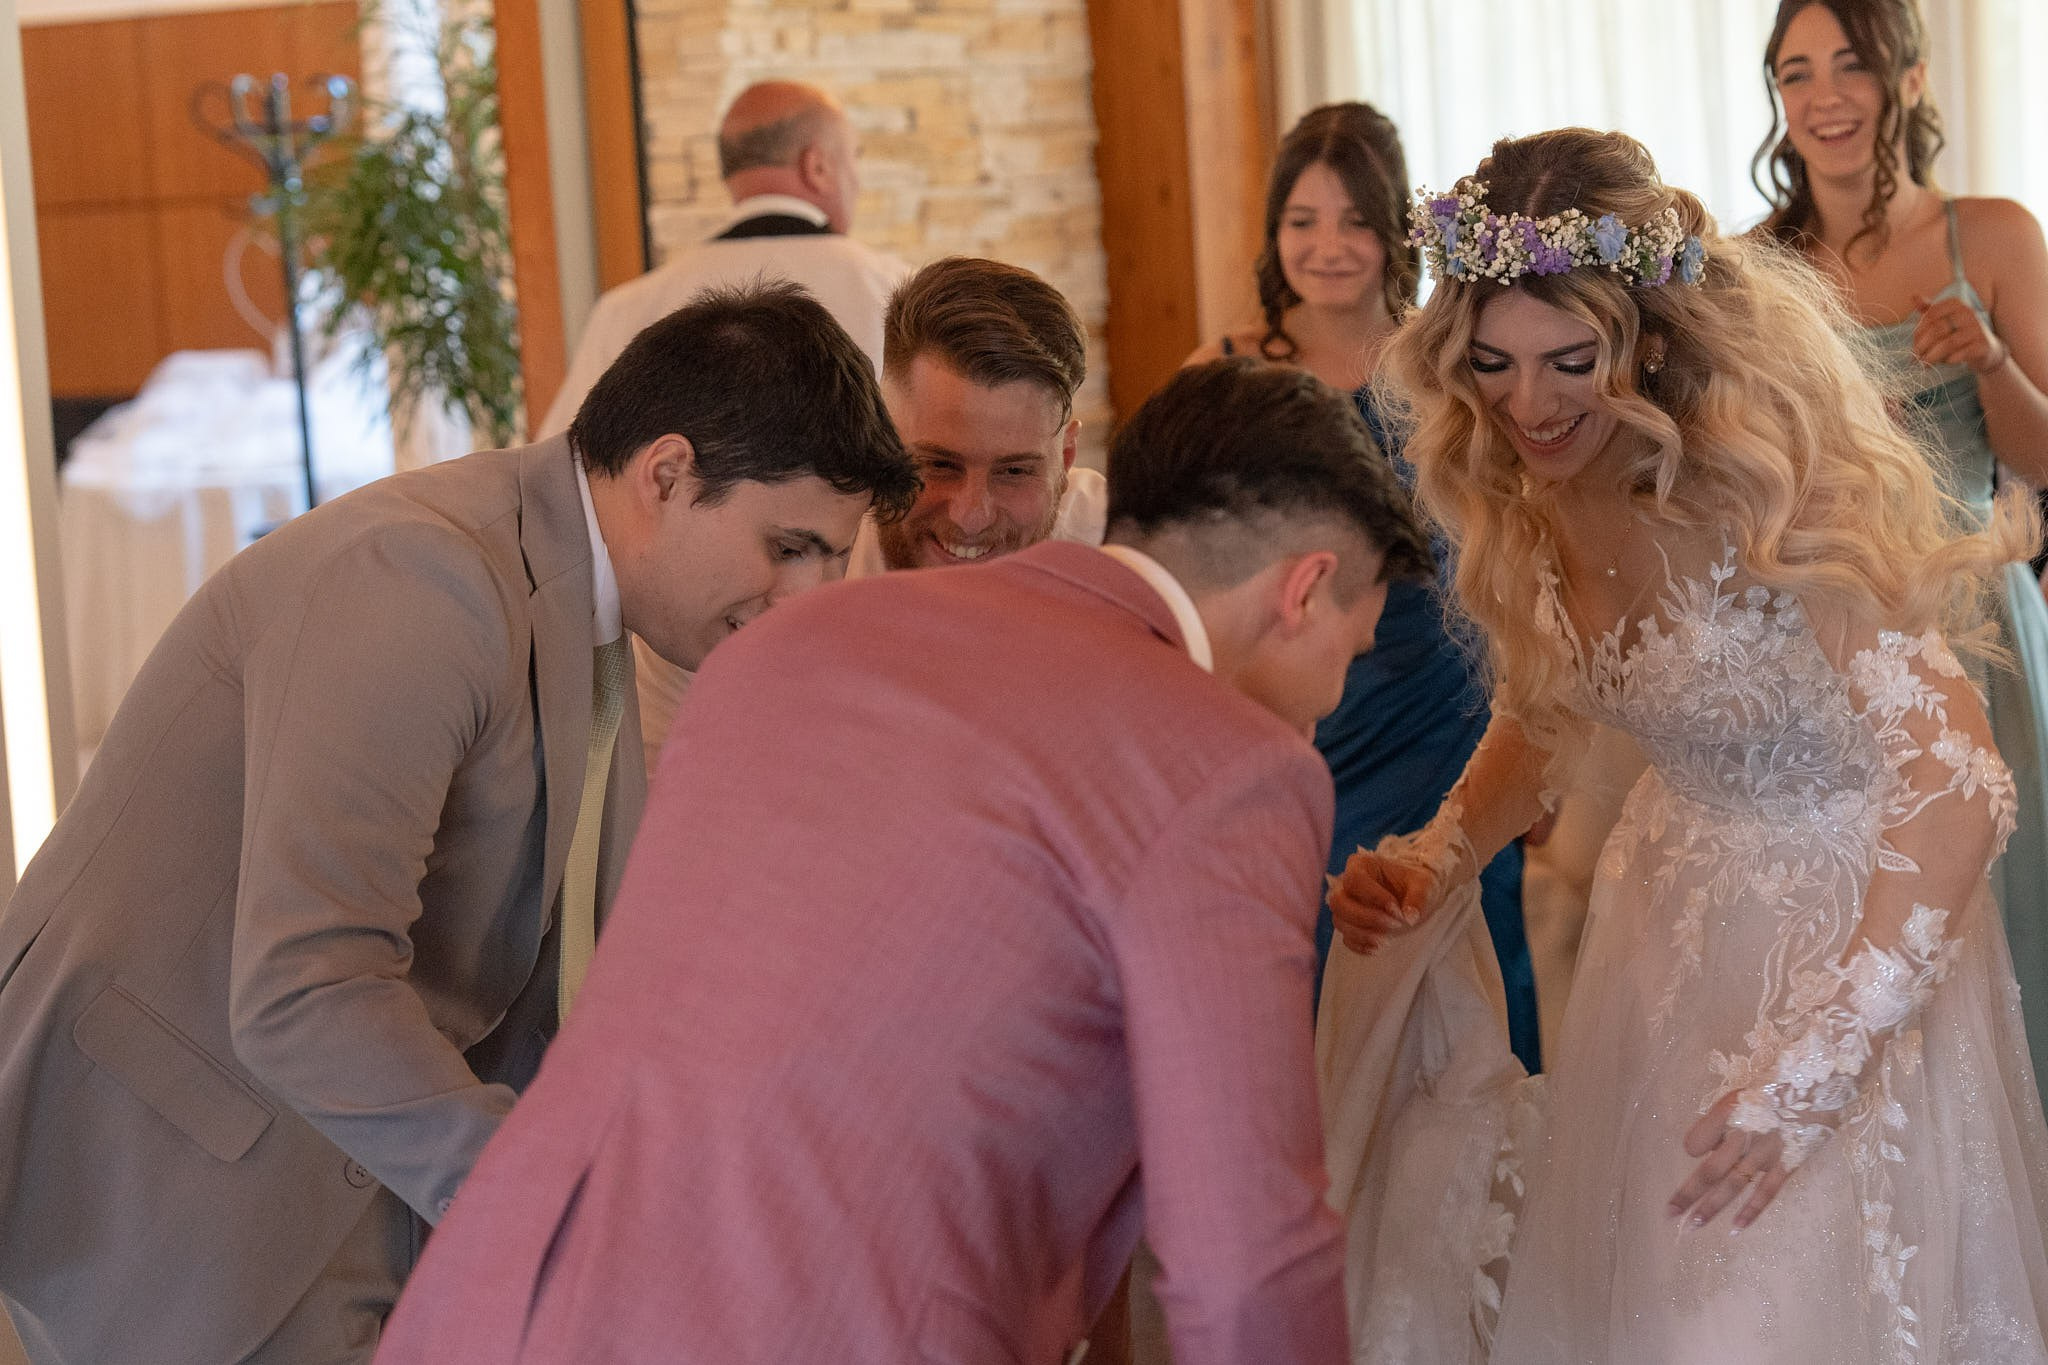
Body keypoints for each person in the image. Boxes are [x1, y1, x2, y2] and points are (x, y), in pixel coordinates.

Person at [371, 358, 1433, 1365]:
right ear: (1304, 589)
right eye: (1352, 648)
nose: (1333, 700)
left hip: (493, 1305)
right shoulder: (1227, 769)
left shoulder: (799, 637)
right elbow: (1244, 1260)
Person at [0, 283, 916, 1365]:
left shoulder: (592, 609)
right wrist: (552, 1202)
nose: (807, 597)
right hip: (177, 1177)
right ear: (666, 474)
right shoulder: (417, 577)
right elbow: (308, 985)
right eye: (790, 546)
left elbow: (560, 977)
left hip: (340, 1165)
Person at [1323, 128, 2048, 1362]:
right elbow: (1544, 711)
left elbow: (1957, 788)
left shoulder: (1766, 484)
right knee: (1649, 1309)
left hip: (1848, 939)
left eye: (1570, 363)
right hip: (1659, 943)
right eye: (1491, 364)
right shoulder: (1524, 483)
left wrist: (1812, 1068)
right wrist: (1440, 855)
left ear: (1645, 337)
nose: (1527, 404)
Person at [1186, 101, 1540, 1069]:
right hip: (1288, 705)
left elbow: (1506, 529)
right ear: (1272, 233)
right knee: (1298, 950)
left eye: (1351, 220)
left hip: (1440, 696)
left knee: (1458, 936)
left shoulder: (1443, 364)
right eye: (1301, 220)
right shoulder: (1225, 371)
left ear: (1391, 229)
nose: (1327, 246)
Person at [1756, 0, 2048, 1096]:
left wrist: (1986, 362)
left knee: (1996, 916)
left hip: (1975, 625)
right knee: (1855, 916)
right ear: (1776, 100)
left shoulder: (1996, 235)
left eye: (1851, 66)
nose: (1823, 96)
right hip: (1826, 637)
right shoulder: (1754, 268)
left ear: (1910, 81)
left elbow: (2041, 459)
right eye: (1795, 73)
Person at [632, 255, 1110, 772]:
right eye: (939, 465)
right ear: (884, 437)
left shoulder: (1125, 559)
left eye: (1014, 472)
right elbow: (670, 811)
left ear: (1064, 459)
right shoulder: (752, 583)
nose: (973, 514)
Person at [538, 80, 909, 437]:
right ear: (818, 166)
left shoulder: (627, 310)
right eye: (853, 159)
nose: (857, 182)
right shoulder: (899, 293)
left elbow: (562, 464)